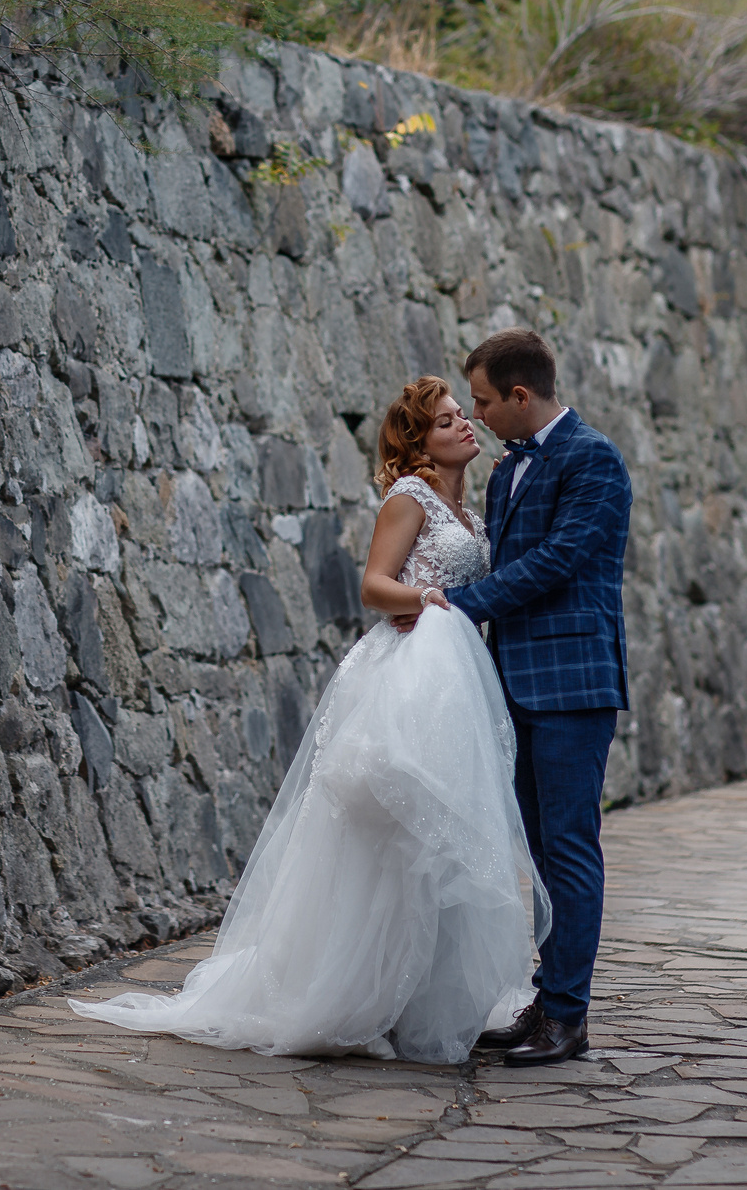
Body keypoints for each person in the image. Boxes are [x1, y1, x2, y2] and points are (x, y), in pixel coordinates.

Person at [68, 377, 547, 1063]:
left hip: (456, 676)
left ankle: (417, 997)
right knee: (389, 833)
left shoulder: (469, 509)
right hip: (413, 667)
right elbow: (374, 585)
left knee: (436, 841)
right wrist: (428, 595)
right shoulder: (409, 497)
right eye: (447, 420)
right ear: (419, 442)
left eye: (463, 415)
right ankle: (350, 992)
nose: (466, 424)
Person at [438, 328, 633, 1067]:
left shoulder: (595, 460)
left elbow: (556, 563)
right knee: (539, 853)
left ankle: (569, 1017)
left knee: (569, 850)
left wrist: (460, 603)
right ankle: (546, 1001)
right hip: (511, 682)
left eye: (485, 401)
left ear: (522, 395)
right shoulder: (506, 470)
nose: (478, 415)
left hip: (573, 686)